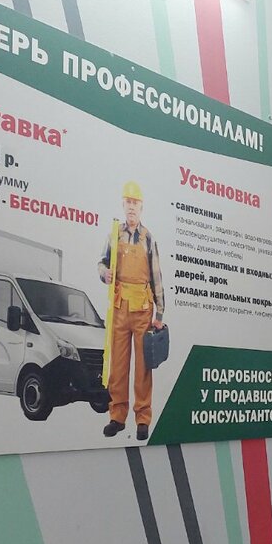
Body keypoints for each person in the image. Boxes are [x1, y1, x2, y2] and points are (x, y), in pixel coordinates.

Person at [99, 181, 165, 440]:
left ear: (141, 207)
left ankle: (143, 418)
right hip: (119, 308)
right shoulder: (114, 235)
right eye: (128, 202)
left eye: (135, 203)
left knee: (143, 367)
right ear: (123, 204)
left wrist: (160, 313)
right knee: (118, 366)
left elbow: (157, 276)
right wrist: (104, 273)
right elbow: (102, 262)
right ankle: (117, 416)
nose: (131, 207)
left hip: (142, 310)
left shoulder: (148, 238)